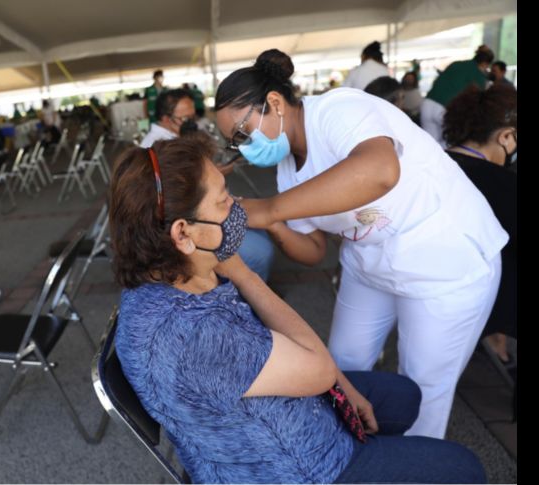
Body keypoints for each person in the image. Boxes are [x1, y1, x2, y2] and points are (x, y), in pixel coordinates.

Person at [110, 135, 486, 484]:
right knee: (463, 469)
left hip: (272, 420)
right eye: (224, 201)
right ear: (182, 233)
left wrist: (344, 388)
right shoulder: (192, 333)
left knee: (402, 397)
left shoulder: (167, 278)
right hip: (295, 469)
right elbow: (319, 371)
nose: (237, 206)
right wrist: (245, 275)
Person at [213, 49, 507, 439]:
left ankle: (415, 468)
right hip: (369, 259)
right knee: (342, 365)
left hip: (443, 256)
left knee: (422, 387)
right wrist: (277, 224)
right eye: (235, 143)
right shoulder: (287, 168)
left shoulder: (337, 110)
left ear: (274, 102)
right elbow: (314, 249)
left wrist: (267, 209)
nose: (242, 147)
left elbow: (380, 171)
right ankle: (351, 447)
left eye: (242, 133)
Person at [141, 89, 275, 281]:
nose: (191, 122)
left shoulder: (175, 137)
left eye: (192, 116)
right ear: (165, 118)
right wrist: (214, 174)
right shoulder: (156, 148)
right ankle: (248, 298)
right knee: (262, 251)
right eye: (185, 118)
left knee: (261, 228)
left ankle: (247, 289)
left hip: (203, 216)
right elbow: (176, 198)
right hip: (188, 229)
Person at [443, 85, 517, 366]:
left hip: (420, 278)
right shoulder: (505, 185)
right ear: (505, 136)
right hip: (483, 294)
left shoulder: (433, 163)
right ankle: (496, 339)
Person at [421, 45, 494, 147]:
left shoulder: (456, 64)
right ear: (485, 64)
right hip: (445, 109)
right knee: (448, 145)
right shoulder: (479, 76)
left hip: (427, 103)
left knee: (429, 144)